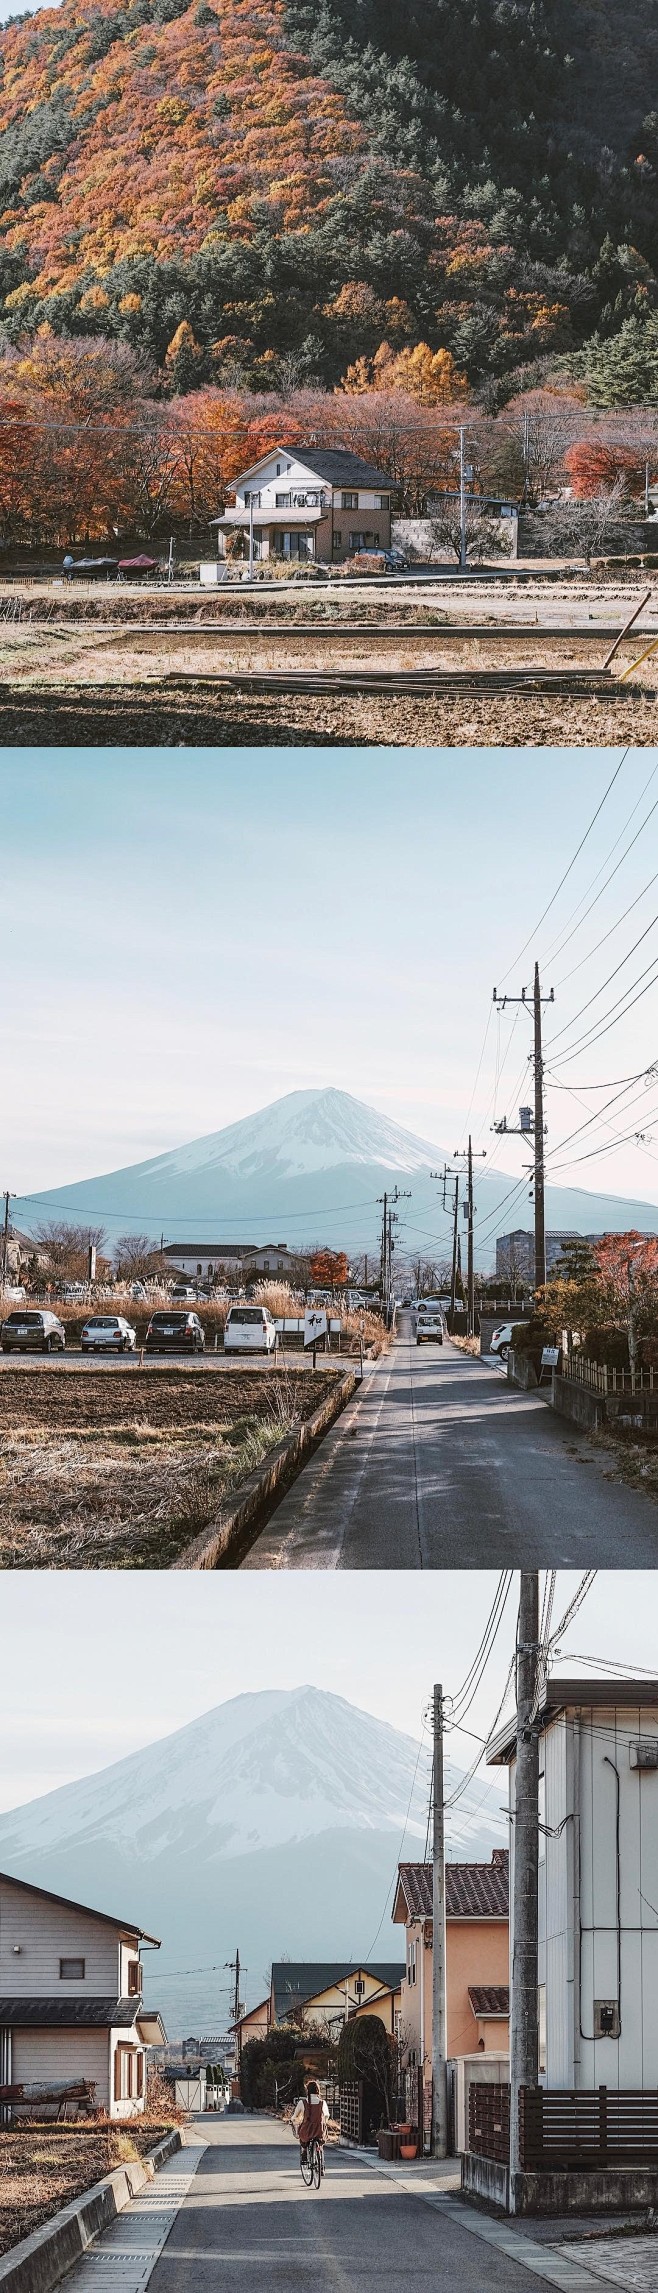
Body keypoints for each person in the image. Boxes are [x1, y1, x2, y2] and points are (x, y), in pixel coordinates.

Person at [291, 2080, 329, 2162]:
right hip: (319, 2130)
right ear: (318, 2090)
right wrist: (324, 2122)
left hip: (307, 2130)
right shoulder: (322, 2103)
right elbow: (326, 2115)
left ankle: (304, 2151)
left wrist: (293, 2121)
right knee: (320, 2142)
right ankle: (320, 2161)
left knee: (303, 2140)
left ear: (307, 2090)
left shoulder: (303, 2102)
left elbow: (295, 2116)